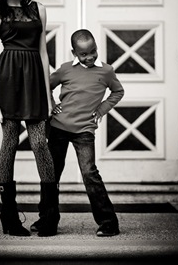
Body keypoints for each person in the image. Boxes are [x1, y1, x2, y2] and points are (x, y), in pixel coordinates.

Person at [0, 0, 59, 237]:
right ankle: (9, 216)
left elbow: (43, 53)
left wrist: (49, 94)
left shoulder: (39, 8)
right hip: (7, 81)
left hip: (35, 84)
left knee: (40, 143)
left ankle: (50, 216)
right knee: (10, 141)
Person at [31, 29, 124, 237]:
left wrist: (101, 109)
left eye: (93, 51)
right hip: (58, 128)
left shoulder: (106, 71)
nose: (89, 57)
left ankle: (108, 222)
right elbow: (47, 86)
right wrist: (51, 104)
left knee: (90, 173)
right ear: (74, 52)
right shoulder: (66, 70)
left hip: (84, 130)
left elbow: (118, 91)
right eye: (83, 54)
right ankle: (47, 219)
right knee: (51, 175)